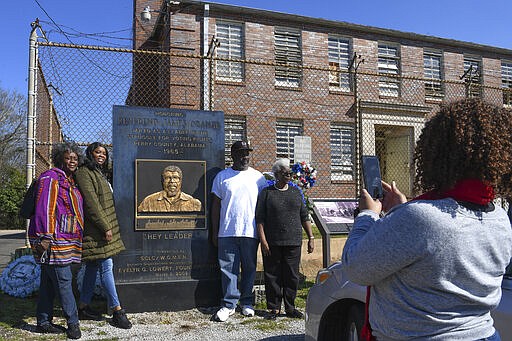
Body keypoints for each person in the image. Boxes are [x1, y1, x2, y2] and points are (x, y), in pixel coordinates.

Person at [342, 98, 512, 341]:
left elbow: (356, 267)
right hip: (483, 334)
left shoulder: (420, 218)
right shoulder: (499, 217)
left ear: (437, 152)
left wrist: (367, 215)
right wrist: (404, 210)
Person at [28, 142, 84, 339]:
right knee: (63, 281)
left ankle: (43, 321)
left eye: (75, 158)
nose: (72, 161)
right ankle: (73, 324)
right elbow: (45, 207)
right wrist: (45, 236)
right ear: (60, 158)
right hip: (53, 239)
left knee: (48, 282)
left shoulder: (69, 180)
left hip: (65, 237)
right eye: (68, 157)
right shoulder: (51, 178)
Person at [74, 142, 132, 329]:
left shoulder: (98, 172)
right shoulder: (84, 172)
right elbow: (91, 204)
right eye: (98, 152)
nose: (102, 156)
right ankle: (117, 310)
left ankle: (82, 306)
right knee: (107, 266)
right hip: (96, 230)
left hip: (101, 229)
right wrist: (105, 227)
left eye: (104, 154)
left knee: (92, 266)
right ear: (90, 153)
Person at [211, 140, 267, 322]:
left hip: (250, 231)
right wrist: (214, 231)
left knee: (249, 268)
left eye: (247, 153)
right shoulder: (222, 177)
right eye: (241, 153)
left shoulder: (259, 178)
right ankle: (228, 305)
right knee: (228, 269)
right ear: (232, 156)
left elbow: (264, 207)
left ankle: (247, 303)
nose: (245, 157)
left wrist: (264, 233)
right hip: (227, 231)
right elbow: (215, 206)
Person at [256, 158, 315, 320]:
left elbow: (304, 216)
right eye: (284, 172)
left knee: (291, 275)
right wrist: (263, 241)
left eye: (289, 172)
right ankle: (273, 308)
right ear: (276, 174)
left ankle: (290, 307)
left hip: (293, 241)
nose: (288, 174)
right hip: (272, 242)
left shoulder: (296, 192)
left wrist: (310, 237)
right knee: (272, 274)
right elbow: (259, 219)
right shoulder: (267, 193)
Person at [137, 165, 202, 212]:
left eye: (175, 177)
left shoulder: (194, 204)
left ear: (180, 181)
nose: (172, 181)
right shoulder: (148, 202)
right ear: (163, 181)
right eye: (168, 178)